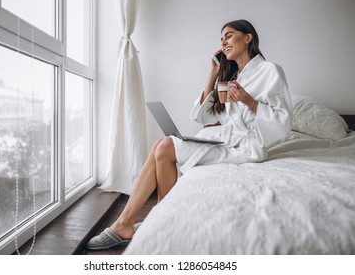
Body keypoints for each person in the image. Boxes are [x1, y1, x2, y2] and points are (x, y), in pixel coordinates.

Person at [86, 19, 292, 250]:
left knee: (164, 147)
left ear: (248, 38)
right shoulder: (234, 77)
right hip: (228, 139)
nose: (223, 41)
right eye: (221, 38)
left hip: (249, 147)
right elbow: (203, 117)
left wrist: (248, 100)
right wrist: (213, 74)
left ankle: (130, 222)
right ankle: (154, 216)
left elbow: (283, 123)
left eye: (229, 35)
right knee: (160, 146)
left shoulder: (270, 71)